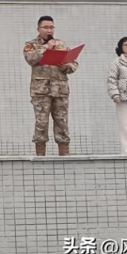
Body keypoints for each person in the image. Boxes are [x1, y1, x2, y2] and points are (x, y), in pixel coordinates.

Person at [23, 16, 78, 157]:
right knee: (41, 123)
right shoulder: (31, 45)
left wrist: (66, 67)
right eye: (46, 27)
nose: (49, 30)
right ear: (38, 29)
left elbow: (74, 64)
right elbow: (30, 59)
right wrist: (46, 48)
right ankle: (40, 157)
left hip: (60, 91)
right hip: (41, 91)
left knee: (62, 123)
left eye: (51, 27)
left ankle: (64, 156)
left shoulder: (61, 44)